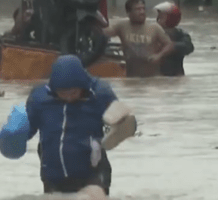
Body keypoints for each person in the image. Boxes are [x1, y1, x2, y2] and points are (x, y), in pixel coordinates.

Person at [25, 55, 135, 199]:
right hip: (53, 173)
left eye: (74, 92)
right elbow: (27, 131)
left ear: (82, 85)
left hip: (92, 171)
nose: (69, 97)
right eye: (64, 93)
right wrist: (13, 136)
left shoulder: (99, 93)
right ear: (54, 89)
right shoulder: (39, 98)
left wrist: (123, 122)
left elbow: (126, 124)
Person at [104, 0, 174, 77]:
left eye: (143, 9)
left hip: (153, 80)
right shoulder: (122, 26)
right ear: (129, 12)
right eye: (138, 9)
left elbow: (169, 44)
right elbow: (103, 33)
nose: (142, 12)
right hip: (131, 78)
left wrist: (159, 55)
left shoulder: (154, 28)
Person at [154, 2, 194, 76]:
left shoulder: (180, 34)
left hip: (175, 75)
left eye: (161, 16)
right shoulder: (152, 32)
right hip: (156, 76)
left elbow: (189, 47)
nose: (158, 19)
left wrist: (172, 47)